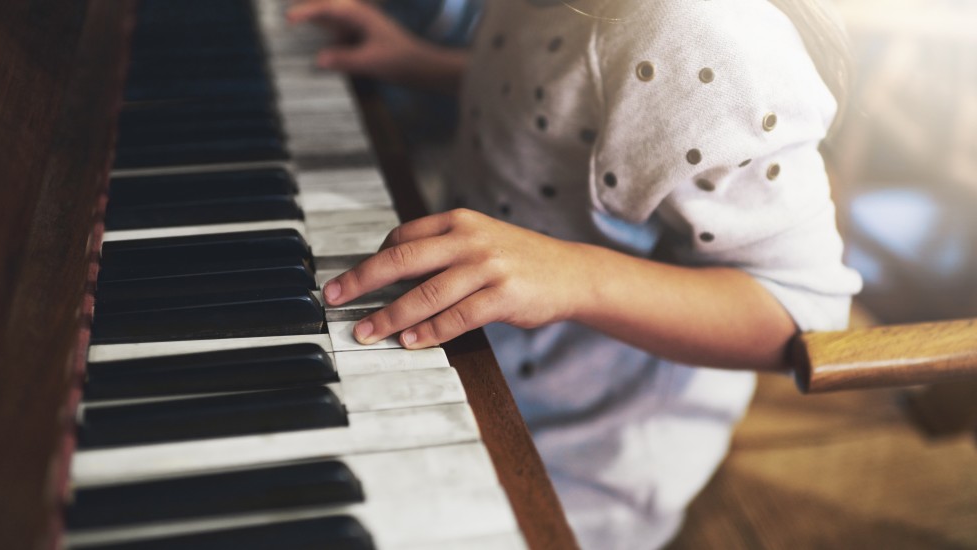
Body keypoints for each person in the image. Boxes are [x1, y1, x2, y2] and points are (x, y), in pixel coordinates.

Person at [288, 1, 863, 548]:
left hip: (584, 443)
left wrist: (574, 275)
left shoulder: (701, 40)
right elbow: (576, 106)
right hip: (480, 357)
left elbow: (804, 313)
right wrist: (423, 64)